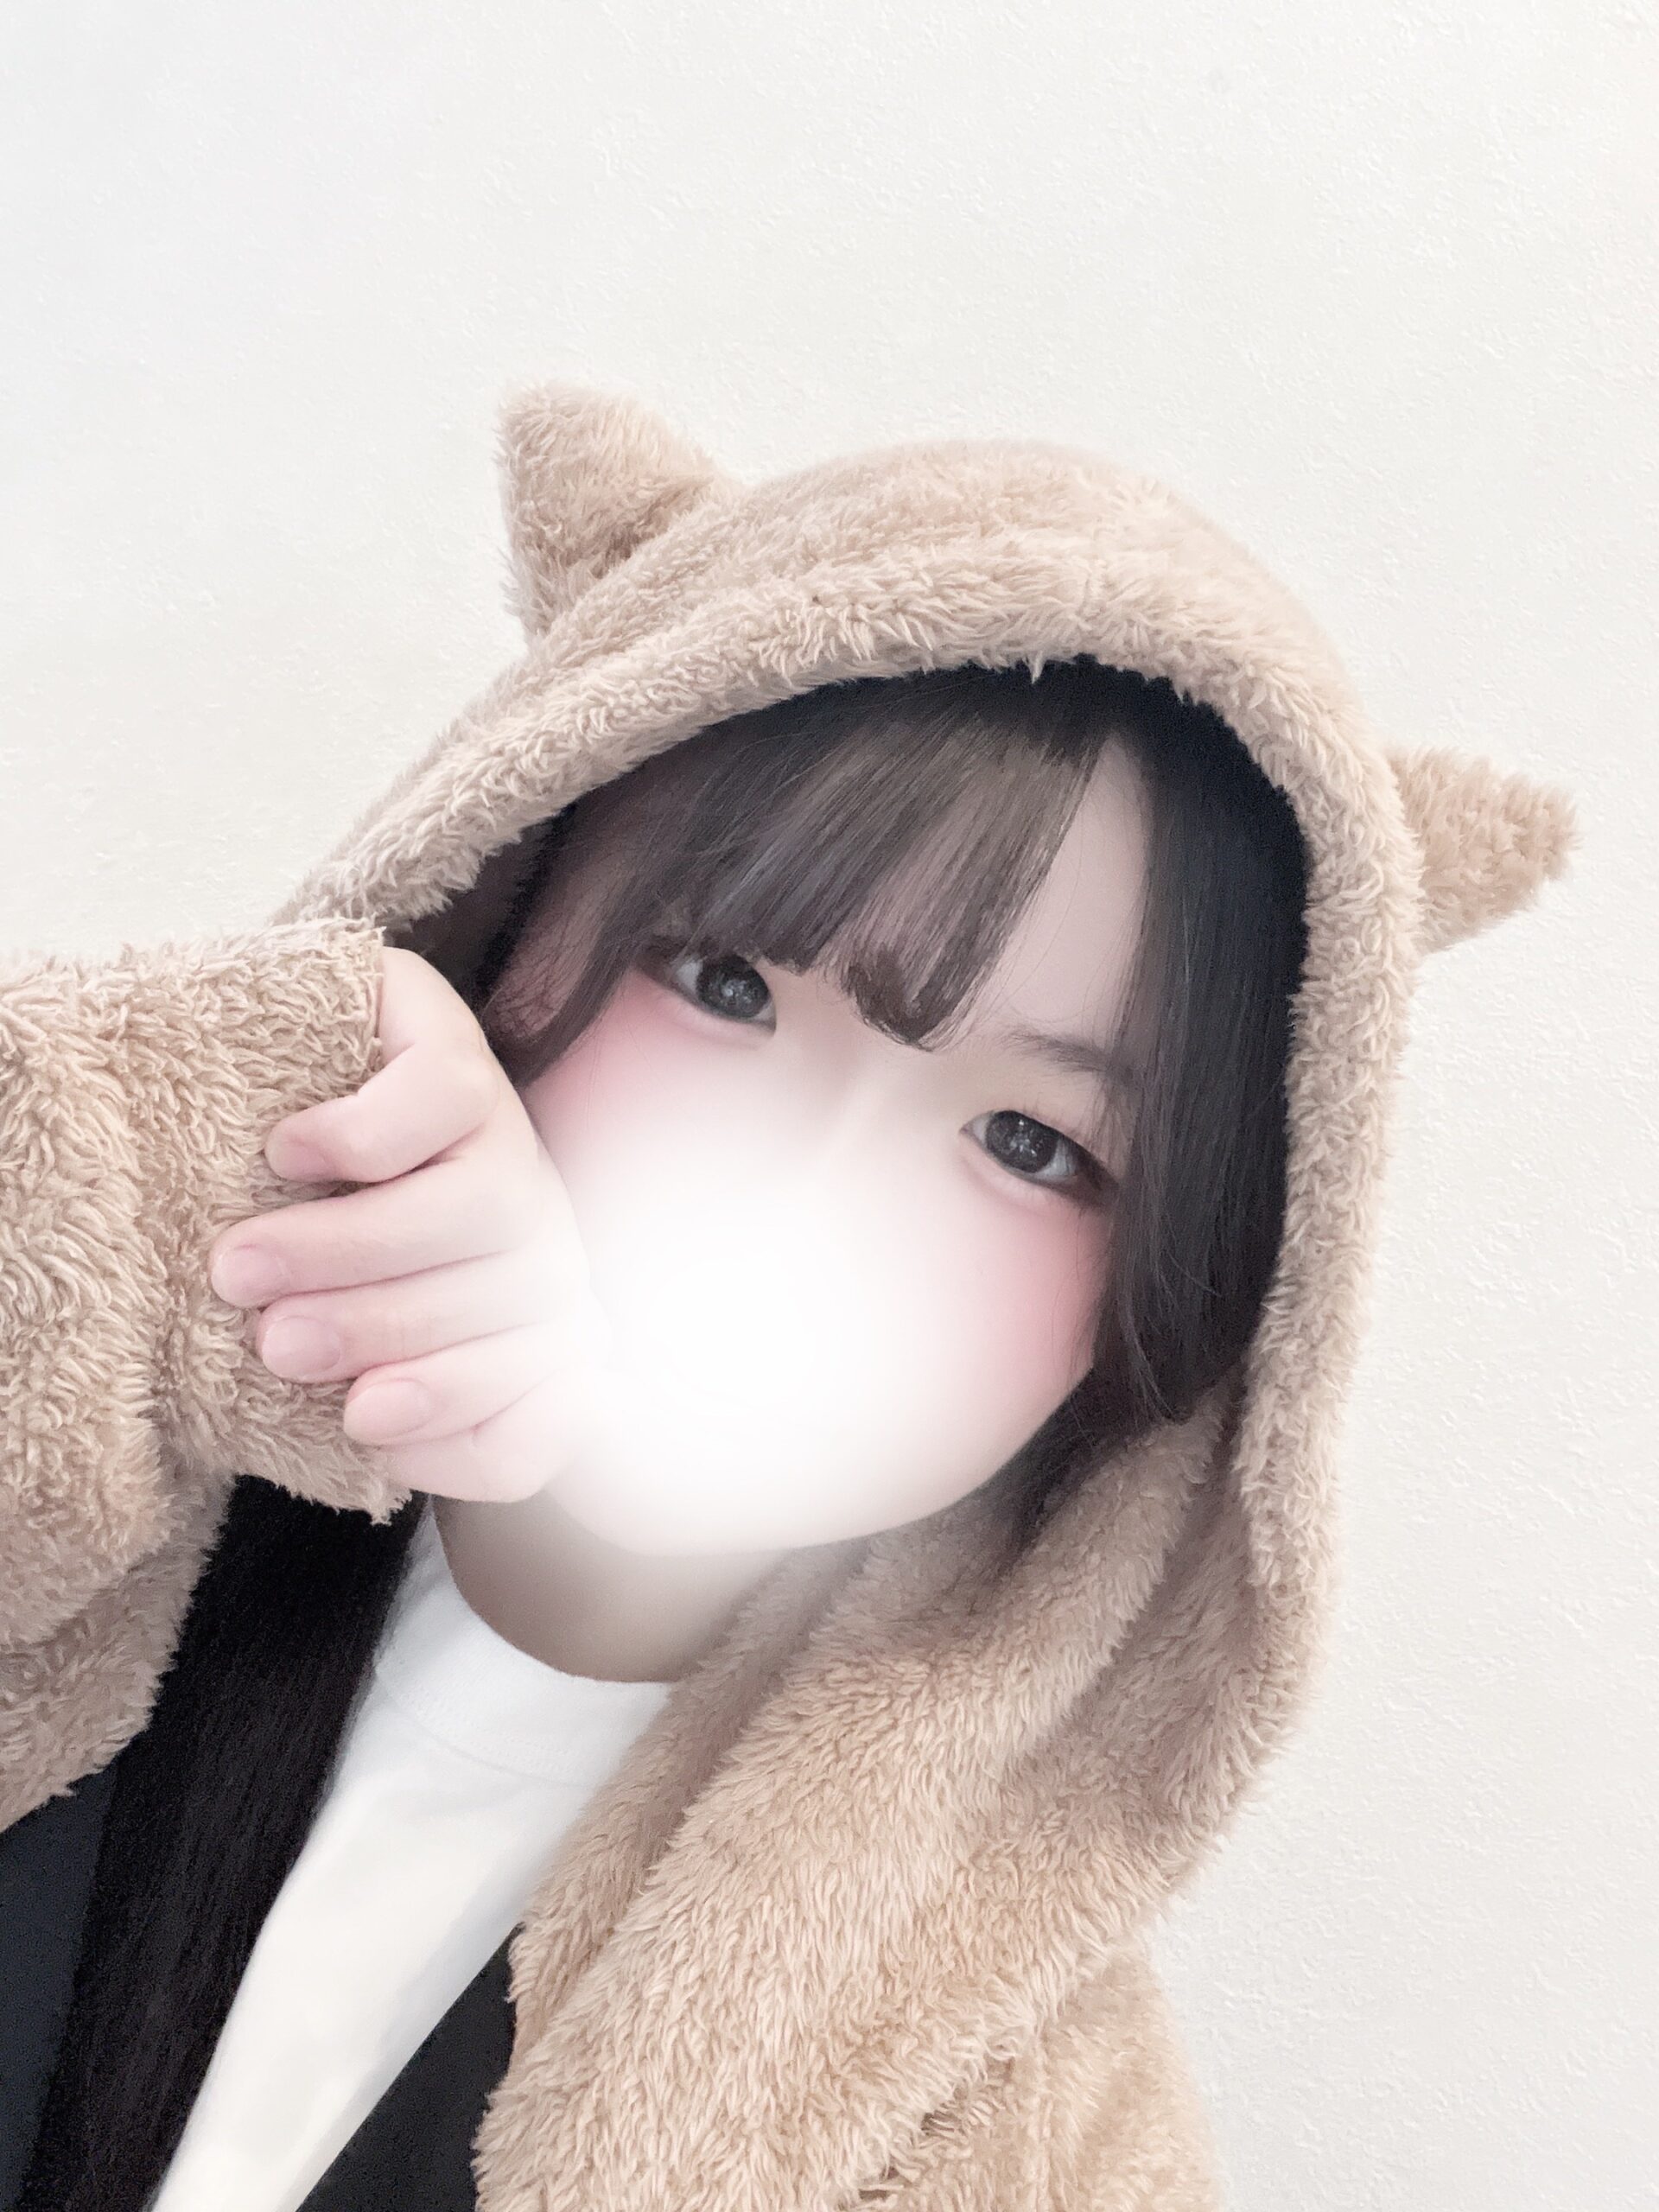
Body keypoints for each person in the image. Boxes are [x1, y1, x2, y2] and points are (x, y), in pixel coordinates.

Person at [0, 385, 1578, 2211]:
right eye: (728, 985)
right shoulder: (93, 1487)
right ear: (506, 914)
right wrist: (161, 1152)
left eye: (1030, 1143)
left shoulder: (1023, 2128)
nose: (811, 1193)